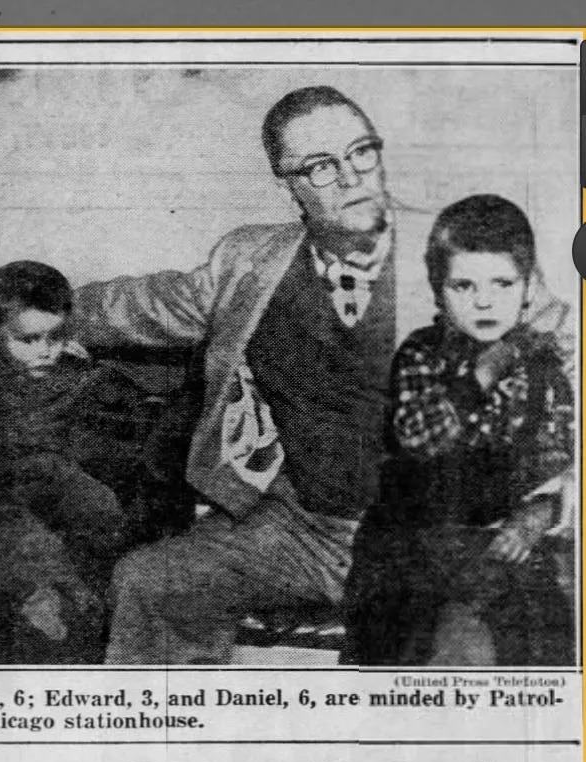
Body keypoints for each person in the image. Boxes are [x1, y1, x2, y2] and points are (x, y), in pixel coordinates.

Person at [64, 85, 565, 664]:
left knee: (455, 661)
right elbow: (149, 305)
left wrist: (550, 500)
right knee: (153, 582)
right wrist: (32, 302)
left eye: (362, 152)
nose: (353, 179)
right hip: (300, 530)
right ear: (287, 180)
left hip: (433, 538)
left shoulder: (460, 251)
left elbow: (569, 350)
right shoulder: (248, 261)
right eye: (322, 166)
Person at [352, 195, 573, 666]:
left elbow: (558, 457)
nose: (485, 300)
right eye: (463, 285)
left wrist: (536, 513)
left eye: (502, 283)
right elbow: (420, 437)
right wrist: (484, 372)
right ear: (438, 292)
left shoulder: (545, 369)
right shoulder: (421, 355)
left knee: (542, 627)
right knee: (426, 643)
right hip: (410, 548)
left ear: (528, 288)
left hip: (495, 545)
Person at [0, 261, 191, 663]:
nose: (45, 350)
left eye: (56, 337)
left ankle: (86, 598)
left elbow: (125, 418)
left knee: (102, 506)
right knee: (9, 527)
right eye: (30, 339)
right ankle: (48, 594)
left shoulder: (76, 373)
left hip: (62, 479)